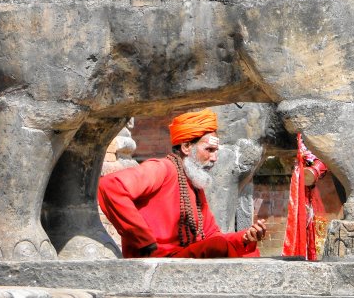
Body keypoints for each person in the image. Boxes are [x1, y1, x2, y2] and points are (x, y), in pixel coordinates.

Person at [98, 108, 267, 258]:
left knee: (246, 251)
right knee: (219, 248)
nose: (215, 158)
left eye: (216, 151)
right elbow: (110, 185)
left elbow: (211, 235)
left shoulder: (195, 183)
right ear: (186, 147)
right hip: (155, 257)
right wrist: (142, 238)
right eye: (209, 150)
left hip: (183, 255)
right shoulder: (161, 168)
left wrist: (244, 236)